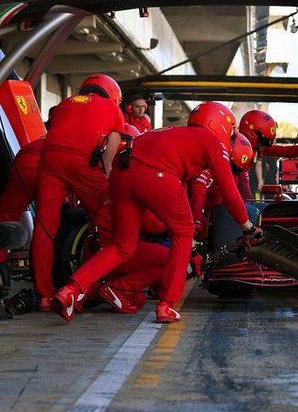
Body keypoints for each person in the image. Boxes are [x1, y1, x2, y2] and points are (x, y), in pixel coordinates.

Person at [51, 102, 262, 324]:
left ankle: (70, 290)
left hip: (122, 173)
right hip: (155, 174)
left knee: (122, 246)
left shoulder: (170, 134)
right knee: (183, 231)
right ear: (221, 126)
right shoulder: (211, 142)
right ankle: (166, 305)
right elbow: (230, 193)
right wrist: (247, 226)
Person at [32, 74, 124, 310]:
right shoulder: (114, 110)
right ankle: (102, 282)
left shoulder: (65, 103)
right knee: (111, 218)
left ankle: (43, 295)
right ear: (113, 95)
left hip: (50, 162)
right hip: (83, 165)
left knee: (44, 228)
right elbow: (108, 159)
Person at [239, 109, 298, 194]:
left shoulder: (258, 148)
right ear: (252, 136)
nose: (266, 146)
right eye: (264, 141)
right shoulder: (237, 152)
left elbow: (286, 150)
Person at [189, 133, 256, 240]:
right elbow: (197, 193)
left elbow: (230, 198)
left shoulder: (234, 172)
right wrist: (198, 221)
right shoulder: (207, 169)